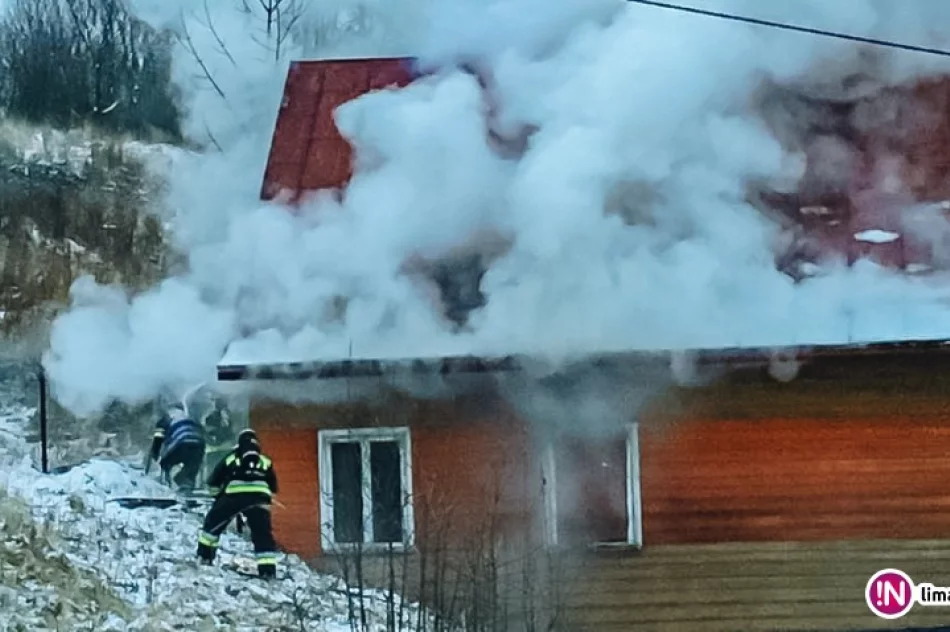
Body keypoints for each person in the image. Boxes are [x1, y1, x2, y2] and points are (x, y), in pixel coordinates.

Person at [197, 434, 280, 579]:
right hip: (259, 500)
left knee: (213, 524)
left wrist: (218, 499)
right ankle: (268, 570)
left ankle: (205, 557)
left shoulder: (231, 458)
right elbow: (273, 487)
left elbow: (213, 481)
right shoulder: (265, 461)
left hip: (233, 498)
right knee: (263, 535)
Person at [150, 404, 207, 492]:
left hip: (181, 442)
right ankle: (186, 484)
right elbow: (201, 430)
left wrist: (155, 453)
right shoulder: (190, 417)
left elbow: (158, 437)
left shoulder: (166, 418)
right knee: (192, 465)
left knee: (165, 464)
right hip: (198, 444)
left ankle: (165, 487)